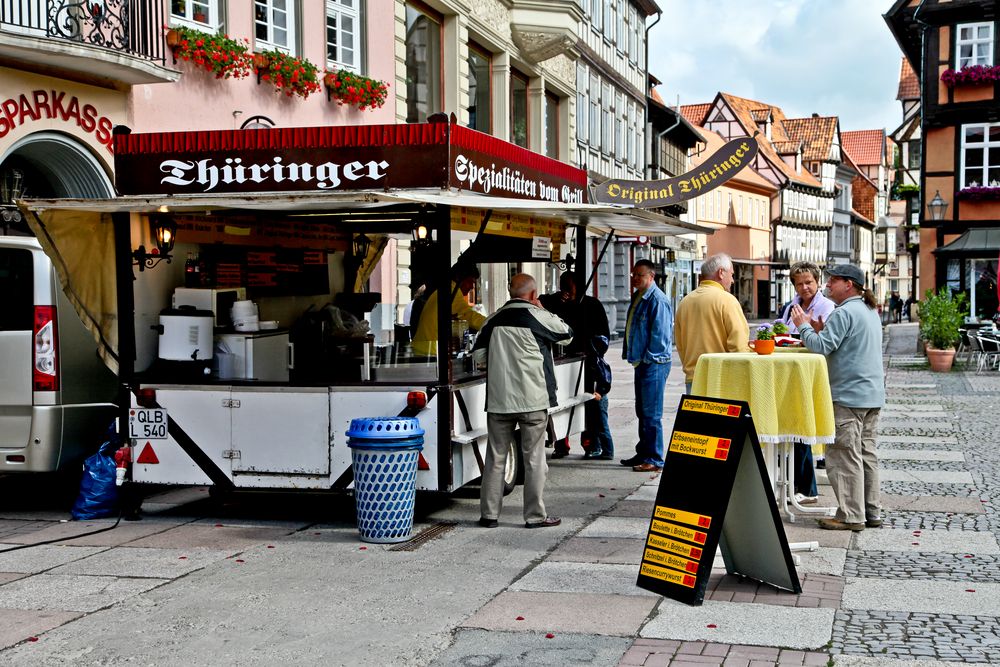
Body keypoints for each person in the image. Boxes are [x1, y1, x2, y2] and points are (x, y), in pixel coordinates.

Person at [473, 273, 573, 529]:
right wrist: (543, 310)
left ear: (510, 292)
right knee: (534, 459)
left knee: (495, 457)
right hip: (533, 400)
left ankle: (489, 515)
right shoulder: (537, 316)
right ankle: (535, 516)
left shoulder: (492, 320)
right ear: (533, 294)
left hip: (499, 401)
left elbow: (479, 357)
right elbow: (567, 334)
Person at [791, 264, 885, 532]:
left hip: (848, 396)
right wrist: (821, 329)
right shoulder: (868, 310)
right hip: (871, 394)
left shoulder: (843, 313)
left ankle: (850, 515)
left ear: (849, 284)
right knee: (866, 454)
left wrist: (805, 327)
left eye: (833, 280)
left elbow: (821, 348)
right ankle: (871, 510)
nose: (828, 284)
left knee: (844, 456)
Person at [778, 262, 836, 505]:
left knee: (801, 430)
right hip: (790, 373)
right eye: (799, 283)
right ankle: (793, 484)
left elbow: (826, 342)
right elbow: (781, 330)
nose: (804, 287)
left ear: (818, 282)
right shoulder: (791, 306)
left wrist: (807, 330)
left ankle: (807, 488)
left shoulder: (826, 306)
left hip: (811, 374)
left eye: (809, 282)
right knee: (791, 430)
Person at [540, 272, 614, 461]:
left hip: (586, 361)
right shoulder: (556, 303)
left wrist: (592, 350)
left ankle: (592, 444)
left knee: (589, 404)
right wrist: (558, 299)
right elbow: (539, 302)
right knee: (559, 402)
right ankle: (561, 444)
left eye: (569, 286)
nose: (565, 290)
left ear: (578, 287)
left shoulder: (592, 305)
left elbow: (603, 337)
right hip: (560, 360)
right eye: (562, 285)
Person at [619, 259, 673, 473]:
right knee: (642, 411)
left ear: (651, 276)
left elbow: (660, 337)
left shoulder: (657, 300)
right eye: (633, 274)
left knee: (651, 413)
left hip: (654, 364)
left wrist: (647, 359)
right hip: (642, 362)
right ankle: (643, 453)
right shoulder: (639, 296)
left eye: (639, 275)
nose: (634, 278)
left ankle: (654, 458)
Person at [674, 253, 750, 394]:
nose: (733, 280)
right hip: (721, 379)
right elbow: (738, 346)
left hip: (693, 378)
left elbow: (680, 344)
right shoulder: (727, 300)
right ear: (721, 273)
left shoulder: (684, 302)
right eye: (731, 274)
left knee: (698, 416)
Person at [412, 263, 487, 356]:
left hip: (424, 347)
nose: (471, 287)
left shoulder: (444, 289)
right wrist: (492, 323)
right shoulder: (452, 292)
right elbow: (470, 316)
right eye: (470, 282)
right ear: (459, 277)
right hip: (431, 350)